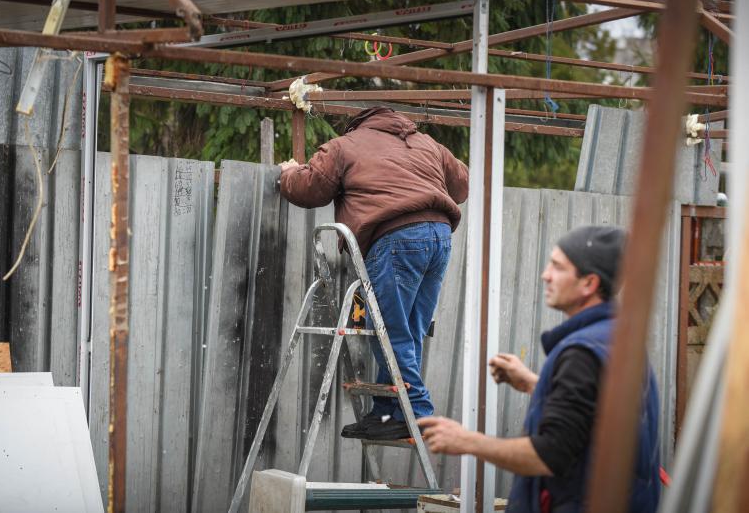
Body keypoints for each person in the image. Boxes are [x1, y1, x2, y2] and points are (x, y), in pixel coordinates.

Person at [418, 226, 661, 513]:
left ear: (589, 283)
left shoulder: (581, 354)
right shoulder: (618, 339)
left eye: (558, 267)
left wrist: (466, 441)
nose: (546, 275)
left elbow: (548, 455)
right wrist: (535, 384)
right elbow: (596, 413)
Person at [279, 106, 469, 440]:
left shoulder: (345, 146)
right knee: (408, 329)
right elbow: (462, 185)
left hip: (396, 238)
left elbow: (311, 188)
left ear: (358, 125)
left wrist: (288, 174)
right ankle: (386, 413)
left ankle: (418, 411)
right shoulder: (427, 144)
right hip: (439, 238)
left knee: (389, 331)